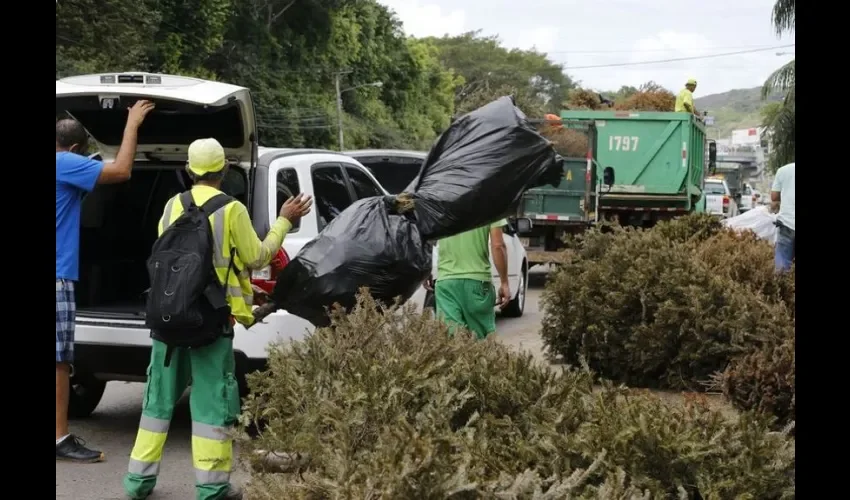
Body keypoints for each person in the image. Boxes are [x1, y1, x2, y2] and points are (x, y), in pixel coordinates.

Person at [123, 138, 313, 500]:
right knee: (212, 406)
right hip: (211, 323)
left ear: (189, 171)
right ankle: (211, 488)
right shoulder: (232, 210)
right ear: (224, 171)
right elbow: (258, 257)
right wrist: (284, 222)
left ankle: (137, 483)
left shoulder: (170, 206)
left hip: (168, 318)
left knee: (156, 404)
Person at [56, 100, 156, 463]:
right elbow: (123, 170)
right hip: (57, 277)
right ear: (76, 150)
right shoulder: (65, 163)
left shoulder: (64, 167)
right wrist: (131, 123)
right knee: (59, 362)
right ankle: (59, 438)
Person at [429, 219, 511, 340]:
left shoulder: (440, 200)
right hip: (477, 283)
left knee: (451, 343)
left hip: (446, 282)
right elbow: (498, 245)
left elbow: (426, 233)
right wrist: (504, 282)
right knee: (482, 347)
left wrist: (426, 268)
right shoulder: (492, 202)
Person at [770, 162, 795, 272]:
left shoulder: (783, 170)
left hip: (786, 224)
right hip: (787, 222)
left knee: (782, 266)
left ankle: (782, 286)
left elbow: (774, 197)